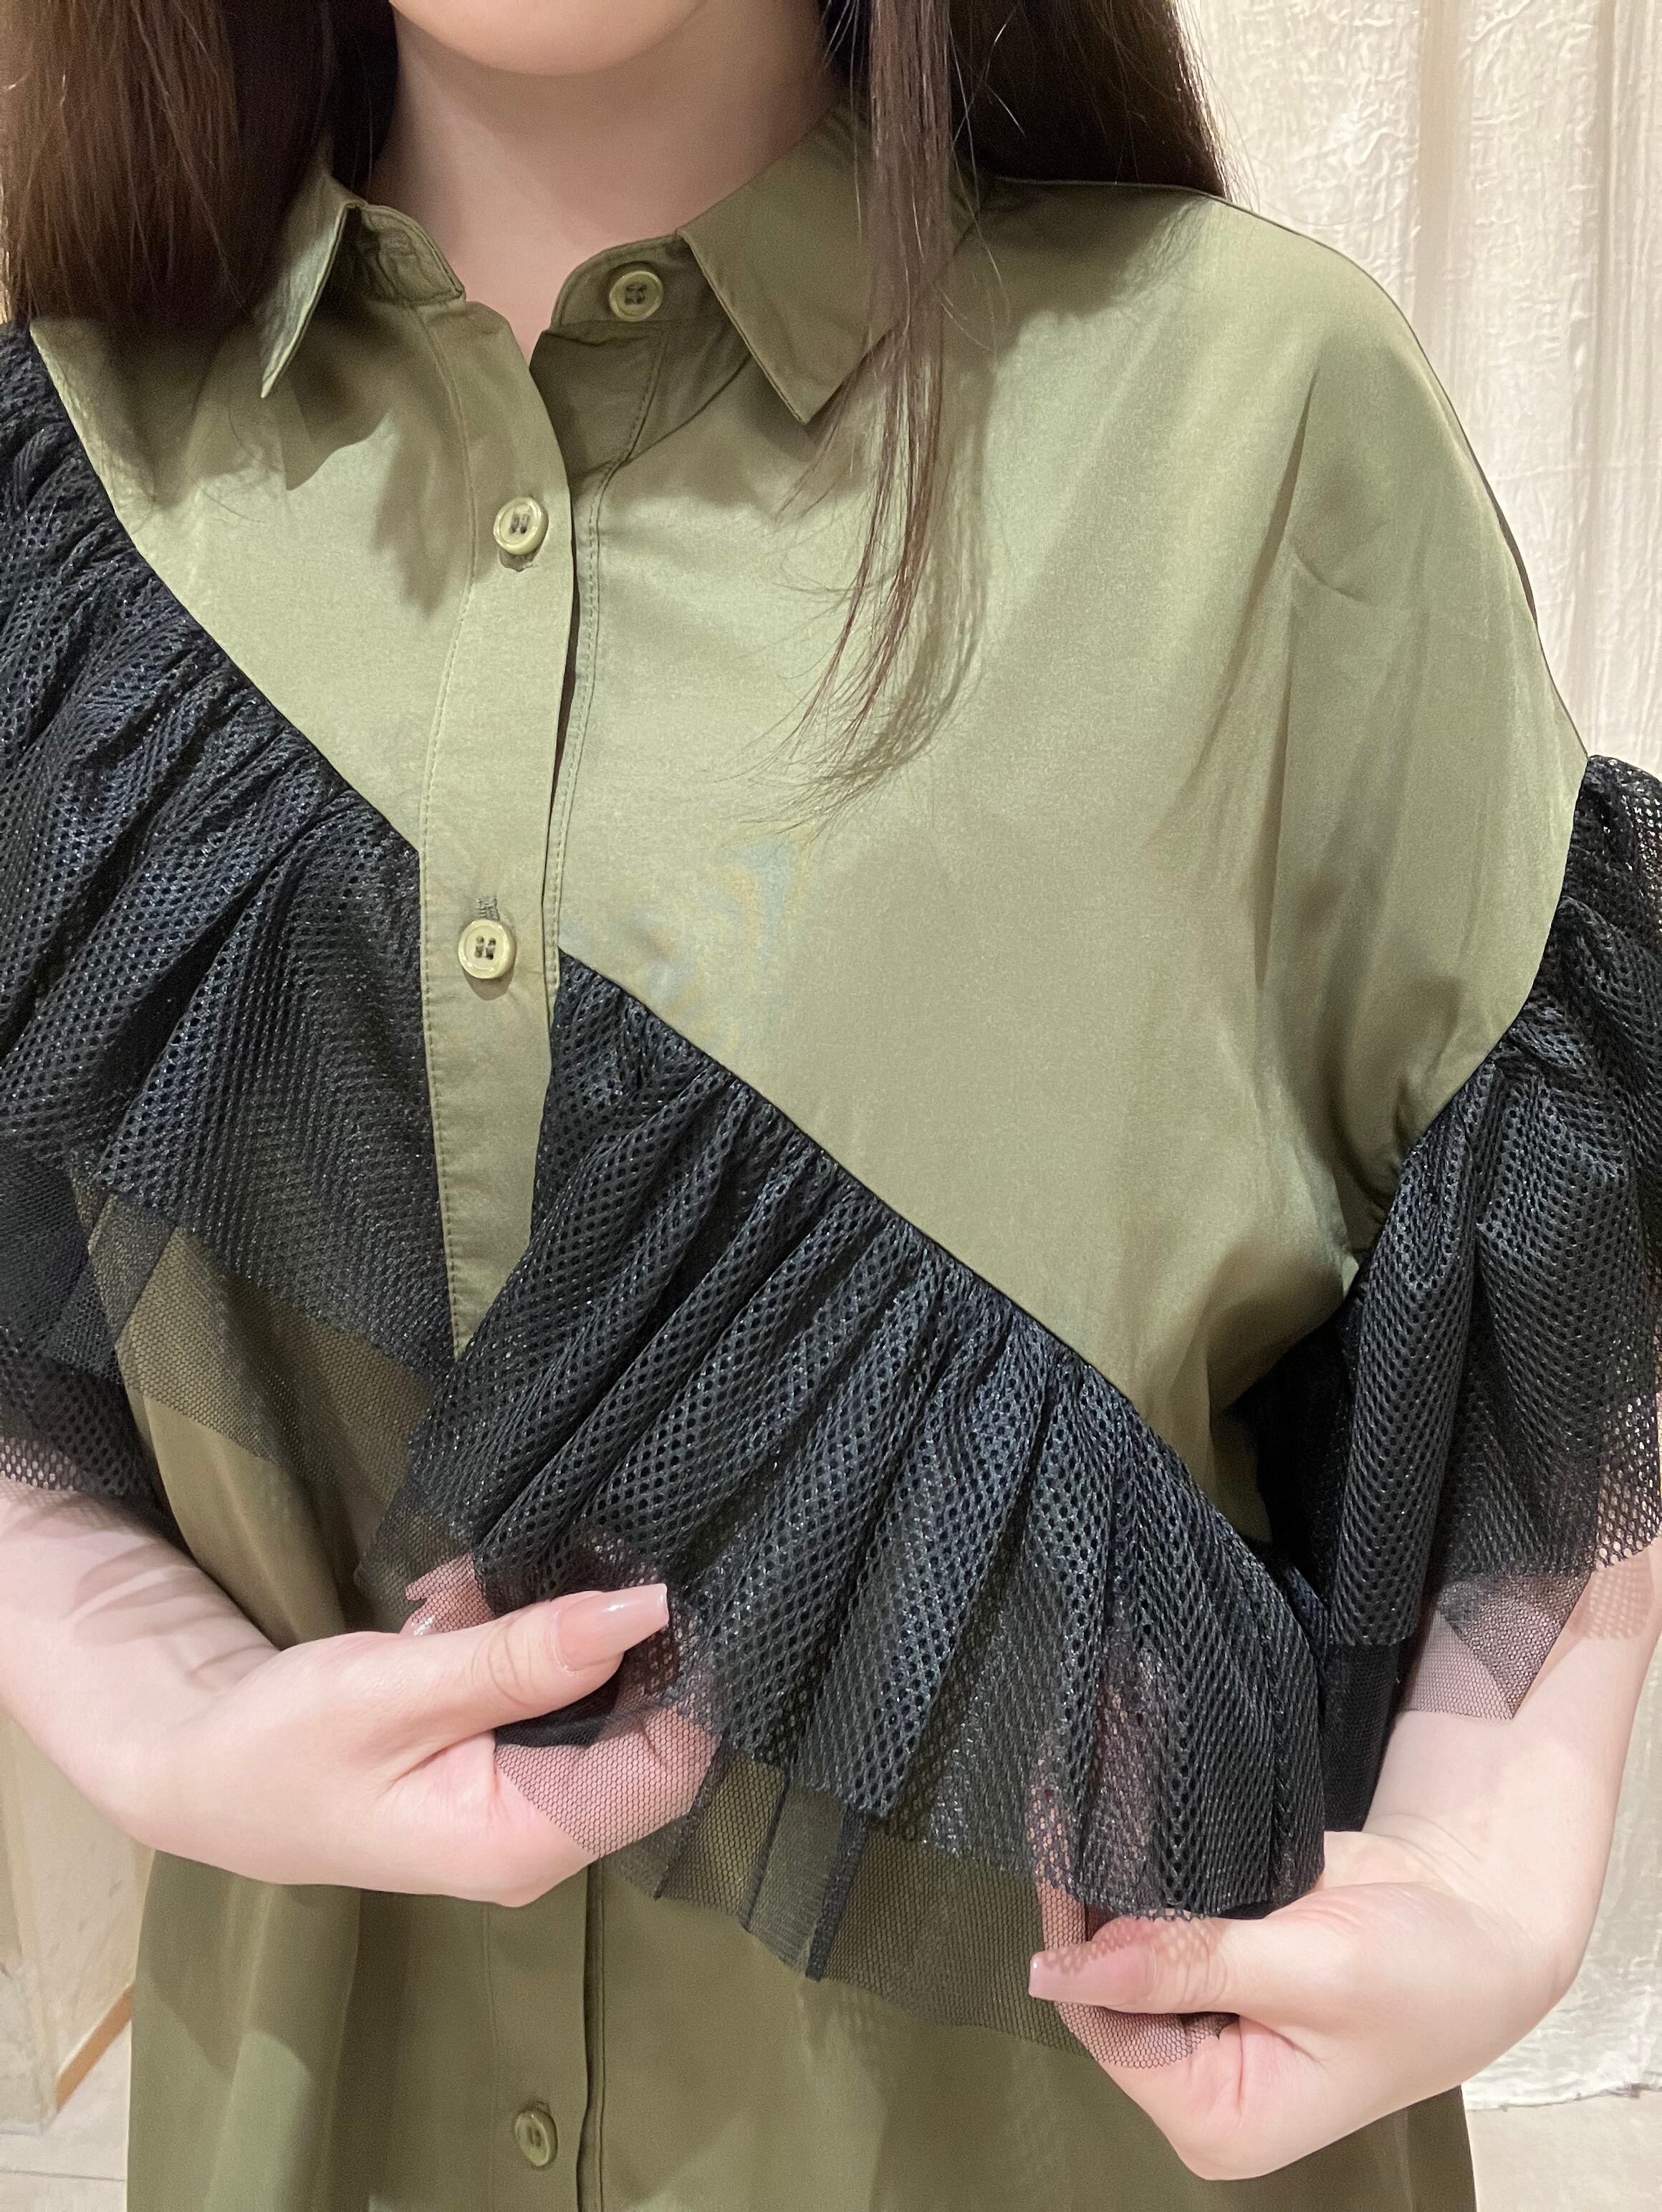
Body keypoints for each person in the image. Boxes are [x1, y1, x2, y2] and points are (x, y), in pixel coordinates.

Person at [0, 2, 1658, 2207]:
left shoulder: (1245, 420)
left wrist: (1495, 1850)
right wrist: (149, 1700)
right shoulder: (67, 498)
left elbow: (1562, 1220)